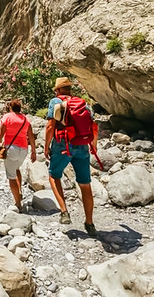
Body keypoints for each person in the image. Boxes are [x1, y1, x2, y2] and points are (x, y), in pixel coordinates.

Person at [44, 77, 99, 237]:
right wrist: (93, 146)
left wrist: (46, 147)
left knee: (54, 176)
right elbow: (94, 126)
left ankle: (64, 212)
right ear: (69, 89)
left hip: (63, 144)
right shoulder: (82, 103)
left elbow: (50, 127)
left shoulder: (55, 102)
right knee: (85, 184)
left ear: (57, 90)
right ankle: (90, 223)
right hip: (82, 145)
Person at [0, 99, 37, 210]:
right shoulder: (26, 119)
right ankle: (19, 191)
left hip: (11, 149)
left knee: (11, 176)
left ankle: (18, 203)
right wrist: (34, 151)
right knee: (17, 168)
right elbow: (31, 136)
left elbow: (0, 133)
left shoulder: (7, 117)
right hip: (24, 149)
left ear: (10, 107)